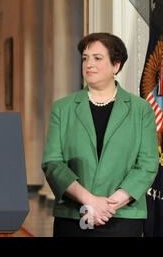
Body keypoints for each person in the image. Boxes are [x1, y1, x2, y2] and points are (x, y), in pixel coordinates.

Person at [42, 32, 159, 237]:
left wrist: (109, 205)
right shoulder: (63, 108)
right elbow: (52, 163)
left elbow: (148, 164)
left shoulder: (141, 110)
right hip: (73, 216)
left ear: (116, 65)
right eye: (85, 58)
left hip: (123, 216)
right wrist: (89, 200)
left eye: (97, 58)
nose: (89, 64)